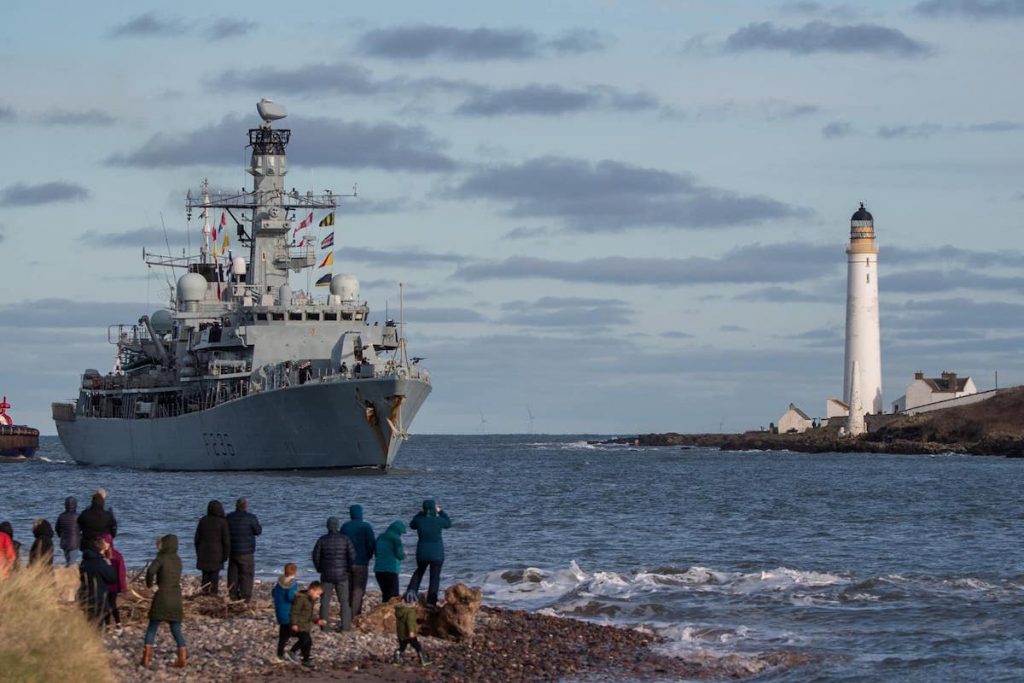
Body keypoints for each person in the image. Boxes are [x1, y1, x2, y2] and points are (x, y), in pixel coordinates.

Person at [141, 535, 187, 669]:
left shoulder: (161, 558)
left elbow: (150, 571)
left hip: (162, 595)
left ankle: (146, 658)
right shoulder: (178, 560)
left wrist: (150, 584)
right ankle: (182, 657)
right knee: (176, 628)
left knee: (152, 627)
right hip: (176, 596)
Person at [311, 516, 355, 631]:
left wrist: (319, 568)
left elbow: (315, 556)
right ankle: (346, 626)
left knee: (325, 601)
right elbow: (353, 556)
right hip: (342, 575)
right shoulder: (345, 539)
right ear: (337, 526)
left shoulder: (322, 540)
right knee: (344, 602)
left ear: (328, 526)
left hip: (326, 575)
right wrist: (348, 568)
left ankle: (324, 627)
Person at [405, 500, 452, 607]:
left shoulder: (420, 521)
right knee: (435, 577)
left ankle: (411, 592)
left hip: (422, 552)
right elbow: (448, 524)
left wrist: (421, 513)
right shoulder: (438, 520)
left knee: (419, 572)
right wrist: (441, 511)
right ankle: (431, 601)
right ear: (434, 509)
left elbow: (412, 524)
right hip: (437, 553)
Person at [341, 504, 375, 616]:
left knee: (349, 589)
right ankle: (354, 615)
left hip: (346, 563)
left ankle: (347, 613)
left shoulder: (345, 527)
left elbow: (341, 544)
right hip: (361, 562)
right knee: (358, 590)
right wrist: (368, 557)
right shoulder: (366, 527)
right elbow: (371, 545)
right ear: (361, 513)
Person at [226, 497, 262, 601]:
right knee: (247, 574)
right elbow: (258, 531)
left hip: (233, 551)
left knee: (233, 574)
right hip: (247, 552)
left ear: (236, 506)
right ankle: (245, 597)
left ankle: (232, 595)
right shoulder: (251, 517)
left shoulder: (229, 517)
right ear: (246, 506)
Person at [194, 500, 231, 595]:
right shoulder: (223, 522)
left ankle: (204, 594)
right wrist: (226, 555)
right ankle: (213, 595)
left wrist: (198, 552)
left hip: (203, 553)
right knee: (214, 576)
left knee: (205, 576)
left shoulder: (203, 521)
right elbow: (226, 541)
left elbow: (197, 539)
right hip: (217, 554)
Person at [79, 538, 116, 626]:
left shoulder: (84, 561)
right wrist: (109, 564)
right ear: (102, 548)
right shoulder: (100, 562)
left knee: (89, 621)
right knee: (98, 624)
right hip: (98, 597)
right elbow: (112, 578)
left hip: (85, 594)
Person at [288, 581, 325, 668]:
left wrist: (317, 621)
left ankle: (306, 660)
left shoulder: (310, 600)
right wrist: (294, 624)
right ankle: (292, 652)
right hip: (298, 625)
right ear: (311, 590)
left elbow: (309, 614)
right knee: (305, 640)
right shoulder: (301, 598)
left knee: (308, 642)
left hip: (305, 625)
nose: (318, 596)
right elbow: (294, 612)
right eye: (318, 594)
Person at [271, 563, 300, 663]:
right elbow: (290, 597)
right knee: (300, 634)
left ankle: (280, 654)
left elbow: (273, 593)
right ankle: (292, 652)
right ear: (295, 572)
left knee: (283, 635)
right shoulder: (293, 584)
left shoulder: (279, 581)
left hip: (280, 612)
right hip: (289, 613)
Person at [393, 590, 429, 665]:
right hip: (409, 633)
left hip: (401, 633)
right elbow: (410, 622)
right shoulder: (410, 611)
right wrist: (411, 631)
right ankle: (423, 660)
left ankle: (397, 657)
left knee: (402, 647)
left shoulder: (400, 610)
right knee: (417, 646)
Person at [374, 521, 406, 602]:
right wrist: (405, 554)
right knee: (394, 597)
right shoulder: (396, 539)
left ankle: (382, 612)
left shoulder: (380, 537)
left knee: (385, 595)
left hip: (379, 570)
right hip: (391, 570)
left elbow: (376, 552)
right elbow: (400, 555)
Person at [101, 534, 127, 630]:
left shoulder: (116, 555)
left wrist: (123, 586)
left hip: (113, 584)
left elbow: (121, 571)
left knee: (112, 603)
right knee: (105, 603)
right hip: (104, 584)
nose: (104, 545)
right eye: (103, 543)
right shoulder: (101, 555)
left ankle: (118, 622)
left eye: (106, 543)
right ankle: (107, 624)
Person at [55, 496, 82, 565]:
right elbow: (83, 527)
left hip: (64, 541)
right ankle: (69, 574)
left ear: (65, 505)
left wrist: (60, 535)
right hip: (75, 542)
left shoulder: (61, 516)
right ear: (75, 505)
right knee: (72, 562)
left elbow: (57, 528)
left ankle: (67, 573)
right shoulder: (79, 516)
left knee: (68, 561)